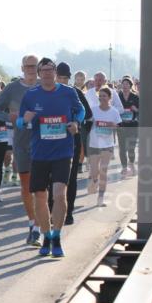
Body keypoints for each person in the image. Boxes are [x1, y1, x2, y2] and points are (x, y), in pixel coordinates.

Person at [17, 58, 84, 258]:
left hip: (63, 152)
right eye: (43, 70)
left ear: (55, 72)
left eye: (50, 69)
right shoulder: (31, 95)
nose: (47, 73)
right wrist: (24, 120)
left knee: (59, 194)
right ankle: (46, 236)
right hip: (40, 153)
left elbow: (81, 111)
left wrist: (75, 123)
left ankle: (56, 236)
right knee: (40, 196)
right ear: (39, 73)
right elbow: (20, 123)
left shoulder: (68, 92)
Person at [0, 55, 42, 246]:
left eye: (34, 66)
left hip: (42, 141)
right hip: (21, 142)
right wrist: (10, 117)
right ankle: (32, 222)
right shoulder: (13, 88)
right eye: (27, 66)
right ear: (22, 67)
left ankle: (38, 226)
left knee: (41, 187)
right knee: (27, 186)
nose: (30, 69)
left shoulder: (45, 86)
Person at [49, 62, 92, 224]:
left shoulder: (75, 92)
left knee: (70, 177)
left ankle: (69, 213)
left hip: (71, 139)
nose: (62, 81)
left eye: (65, 78)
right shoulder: (46, 92)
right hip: (50, 141)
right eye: (59, 77)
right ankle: (53, 210)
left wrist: (75, 122)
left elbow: (87, 113)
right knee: (51, 178)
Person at [87, 86, 119, 207]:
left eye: (104, 96)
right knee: (95, 171)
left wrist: (112, 125)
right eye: (100, 96)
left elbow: (118, 126)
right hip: (94, 144)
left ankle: (100, 198)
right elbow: (87, 121)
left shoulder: (114, 111)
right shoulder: (93, 109)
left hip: (107, 145)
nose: (101, 98)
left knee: (103, 171)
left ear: (109, 98)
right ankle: (94, 181)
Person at [117, 76, 140, 177]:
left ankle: (132, 164)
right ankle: (124, 168)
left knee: (131, 147)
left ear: (131, 86)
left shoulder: (135, 97)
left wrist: (136, 109)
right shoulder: (118, 97)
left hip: (133, 125)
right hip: (121, 125)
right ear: (121, 85)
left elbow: (141, 111)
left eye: (127, 84)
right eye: (123, 84)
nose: (125, 86)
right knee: (122, 148)